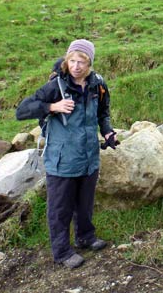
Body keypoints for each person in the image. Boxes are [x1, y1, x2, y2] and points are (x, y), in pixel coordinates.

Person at [16, 39, 118, 269]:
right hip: (62, 160)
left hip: (89, 158)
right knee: (60, 208)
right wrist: (52, 107)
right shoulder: (56, 87)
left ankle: (85, 237)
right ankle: (61, 252)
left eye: (81, 61)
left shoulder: (97, 84)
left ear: (89, 62)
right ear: (66, 60)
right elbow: (21, 111)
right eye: (72, 60)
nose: (76, 66)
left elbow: (103, 113)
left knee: (85, 203)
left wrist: (108, 132)